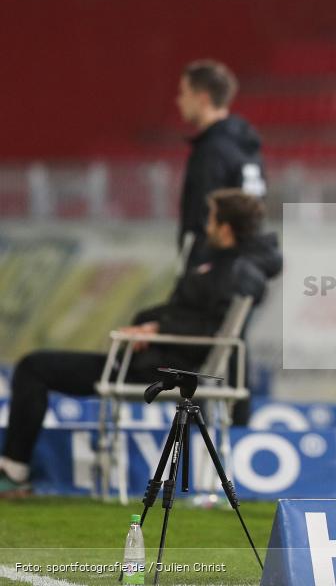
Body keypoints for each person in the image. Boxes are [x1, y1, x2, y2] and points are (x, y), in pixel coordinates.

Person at [0, 190, 282, 496]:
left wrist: (157, 328)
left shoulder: (233, 272)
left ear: (226, 228)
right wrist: (151, 325)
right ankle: (16, 468)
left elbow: (209, 330)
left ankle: (15, 469)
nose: (206, 226)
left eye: (212, 219)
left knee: (33, 367)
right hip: (157, 361)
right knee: (36, 366)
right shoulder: (231, 268)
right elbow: (203, 321)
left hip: (158, 369)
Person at [176, 59, 267, 268]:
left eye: (184, 92)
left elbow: (204, 216)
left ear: (203, 99)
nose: (179, 100)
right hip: (244, 265)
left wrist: (200, 266)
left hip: (213, 272)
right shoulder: (246, 145)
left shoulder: (212, 150)